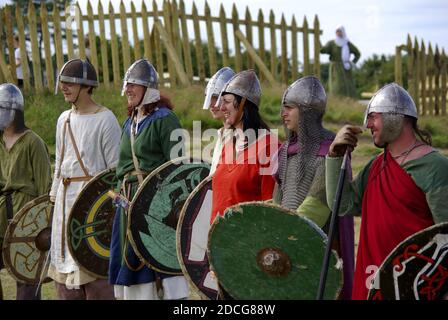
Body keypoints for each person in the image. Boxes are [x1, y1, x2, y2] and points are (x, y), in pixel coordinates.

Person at [326, 83, 448, 300]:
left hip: (414, 287)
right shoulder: (375, 166)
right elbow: (342, 205)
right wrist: (334, 157)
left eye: (373, 116)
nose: (368, 124)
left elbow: (446, 241)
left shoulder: (434, 166)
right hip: (370, 282)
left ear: (396, 117)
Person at [108, 59, 188, 300]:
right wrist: (118, 192)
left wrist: (166, 208)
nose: (128, 90)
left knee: (159, 269)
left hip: (156, 206)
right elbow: (121, 168)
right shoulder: (129, 123)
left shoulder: (165, 120)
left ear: (148, 89)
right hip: (127, 206)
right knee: (130, 267)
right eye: (127, 84)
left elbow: (178, 169)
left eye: (134, 84)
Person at [272, 76, 354, 299]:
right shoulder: (285, 151)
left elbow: (317, 206)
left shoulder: (331, 151)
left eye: (289, 108)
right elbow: (276, 203)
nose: (283, 114)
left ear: (308, 111)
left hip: (317, 246)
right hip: (285, 247)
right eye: (283, 108)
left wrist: (286, 237)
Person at [48, 58, 121, 300]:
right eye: (62, 82)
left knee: (96, 281)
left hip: (92, 207)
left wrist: (108, 214)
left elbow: (115, 172)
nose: (64, 87)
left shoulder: (106, 119)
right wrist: (54, 198)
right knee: (65, 282)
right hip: (64, 204)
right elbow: (59, 164)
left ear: (87, 86)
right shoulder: (63, 119)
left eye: (69, 82)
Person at [0, 83, 52, 300]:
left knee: (27, 285)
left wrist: (46, 226)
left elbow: (45, 188)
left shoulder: (33, 142)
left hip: (28, 224)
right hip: (1, 217)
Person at [211, 70, 278, 223]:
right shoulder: (228, 145)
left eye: (226, 102)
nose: (221, 108)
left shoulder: (269, 147)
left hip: (248, 243)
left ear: (243, 104)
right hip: (217, 241)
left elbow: (271, 209)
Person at [202, 67, 235, 175]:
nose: (211, 104)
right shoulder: (222, 133)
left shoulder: (243, 135)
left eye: (215, 97)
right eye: (209, 97)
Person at [320, 25, 360, 98]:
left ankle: (349, 101)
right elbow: (323, 50)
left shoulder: (347, 43)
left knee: (348, 85)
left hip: (346, 68)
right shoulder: (332, 43)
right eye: (337, 31)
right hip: (335, 68)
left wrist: (352, 63)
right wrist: (318, 42)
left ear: (343, 32)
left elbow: (357, 53)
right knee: (336, 85)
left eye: (340, 31)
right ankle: (337, 100)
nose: (338, 33)